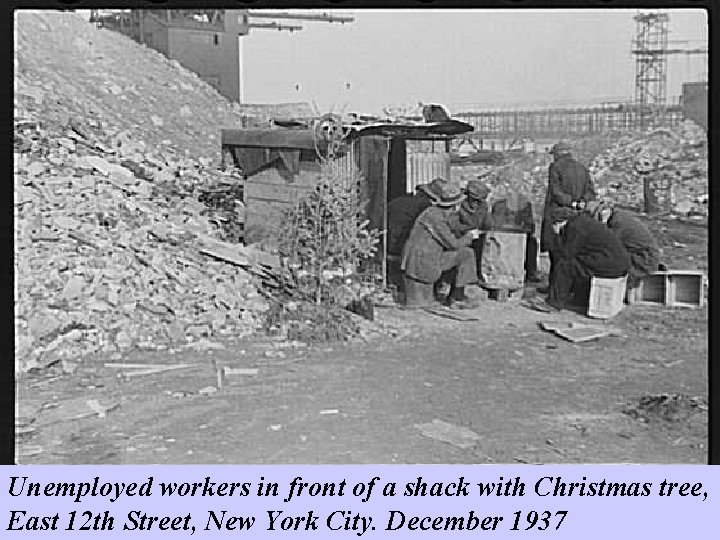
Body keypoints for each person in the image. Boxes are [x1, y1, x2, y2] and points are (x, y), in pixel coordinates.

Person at [402, 184, 481, 309]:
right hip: (422, 262)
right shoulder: (435, 217)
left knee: (465, 253)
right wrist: (470, 236)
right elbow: (453, 244)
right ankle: (457, 297)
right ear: (455, 204)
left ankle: (455, 295)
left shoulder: (434, 212)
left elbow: (451, 228)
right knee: (466, 254)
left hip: (424, 258)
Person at [545, 207, 630, 310]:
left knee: (565, 266)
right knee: (580, 264)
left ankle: (554, 303)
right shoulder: (583, 221)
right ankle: (579, 299)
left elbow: (566, 254)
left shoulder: (575, 228)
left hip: (611, 263)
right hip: (616, 262)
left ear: (559, 222)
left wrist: (558, 235)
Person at [540, 142, 596, 292]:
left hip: (559, 213)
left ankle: (555, 287)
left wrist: (570, 202)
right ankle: (570, 287)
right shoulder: (582, 168)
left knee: (556, 250)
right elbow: (590, 193)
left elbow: (555, 192)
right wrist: (581, 204)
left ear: (558, 154)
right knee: (571, 249)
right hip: (577, 216)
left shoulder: (556, 167)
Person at [595, 201, 662, 288]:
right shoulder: (618, 217)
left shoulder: (617, 223)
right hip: (643, 255)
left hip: (645, 259)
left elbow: (607, 247)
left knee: (609, 266)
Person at [386, 178, 446, 257]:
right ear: (432, 199)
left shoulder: (398, 201)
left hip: (387, 248)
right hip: (404, 252)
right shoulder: (427, 210)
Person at [490, 190, 540, 282]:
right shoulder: (500, 206)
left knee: (532, 243)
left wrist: (523, 228)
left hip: (520, 235)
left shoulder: (526, 207)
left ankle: (531, 272)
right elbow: (495, 224)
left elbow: (531, 226)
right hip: (502, 235)